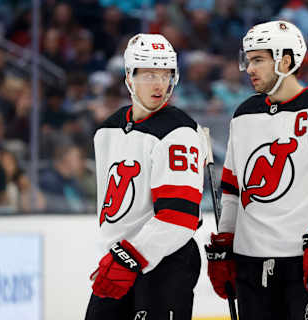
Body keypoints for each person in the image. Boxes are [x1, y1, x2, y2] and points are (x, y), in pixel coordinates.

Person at [205, 21, 308, 320]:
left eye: (258, 60)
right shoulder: (244, 115)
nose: (249, 69)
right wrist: (226, 239)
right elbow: (231, 190)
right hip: (251, 266)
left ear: (285, 60)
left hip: (307, 263)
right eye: (248, 60)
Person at [85, 33, 206, 320]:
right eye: (150, 74)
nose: (159, 84)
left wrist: (130, 257)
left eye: (166, 75)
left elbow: (179, 218)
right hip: (117, 262)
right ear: (129, 76)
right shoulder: (107, 129)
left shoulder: (179, 132)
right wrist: (115, 255)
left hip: (164, 262)